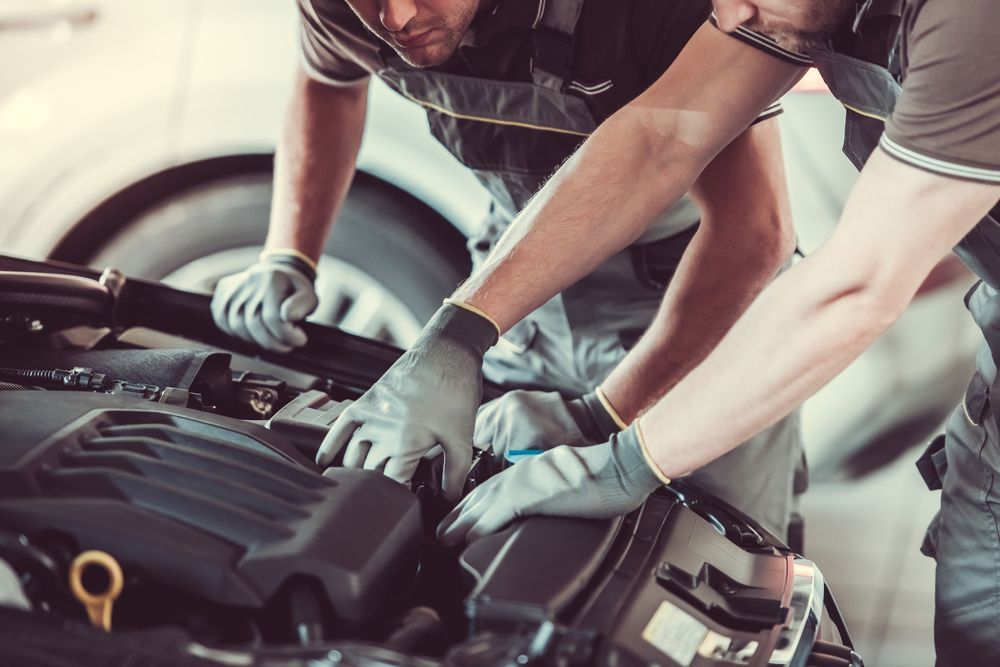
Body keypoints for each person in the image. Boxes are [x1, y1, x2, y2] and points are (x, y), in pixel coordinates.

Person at [433, 0, 1000, 663]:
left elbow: (856, 285)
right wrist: (457, 333)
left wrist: (628, 459)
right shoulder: (792, 7)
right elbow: (661, 136)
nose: (727, 13)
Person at [212, 0, 805, 538]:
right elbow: (328, 80)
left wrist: (605, 414)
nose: (394, 18)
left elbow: (755, 235)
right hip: (519, 296)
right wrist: (289, 251)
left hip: (699, 304)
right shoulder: (339, 9)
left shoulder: (645, 12)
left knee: (703, 552)